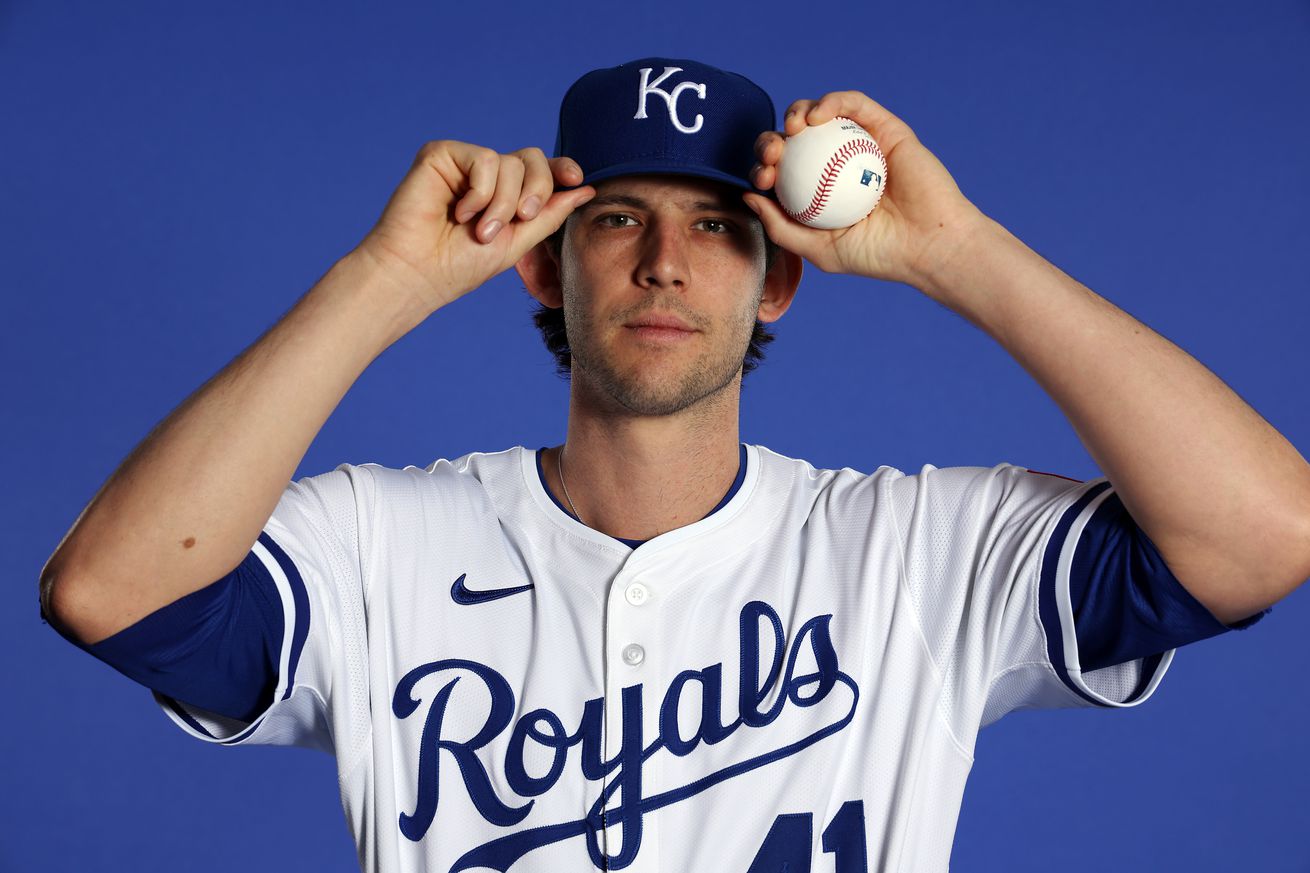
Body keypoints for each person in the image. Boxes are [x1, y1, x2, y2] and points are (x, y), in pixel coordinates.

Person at [39, 56, 1310, 872]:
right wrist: (382, 285)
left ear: (778, 282)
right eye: (616, 220)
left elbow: (1262, 534)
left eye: (714, 225)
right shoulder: (378, 545)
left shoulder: (924, 553)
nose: (664, 261)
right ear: (541, 263)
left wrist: (956, 252)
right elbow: (110, 591)